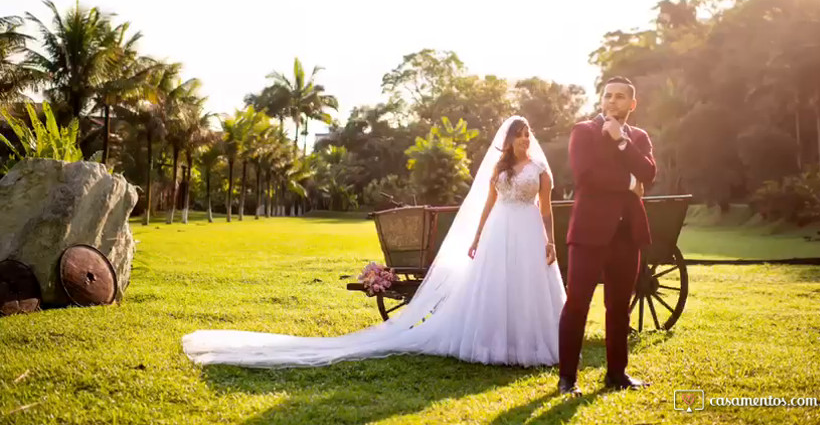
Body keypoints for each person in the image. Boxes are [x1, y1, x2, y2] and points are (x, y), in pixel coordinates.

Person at [182, 116, 567, 368]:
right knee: (494, 287)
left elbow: (546, 210)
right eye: (517, 135)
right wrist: (478, 236)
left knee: (527, 287)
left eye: (526, 135)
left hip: (528, 230)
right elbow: (488, 205)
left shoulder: (539, 171)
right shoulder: (499, 170)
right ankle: (492, 344)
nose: (522, 139)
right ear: (508, 141)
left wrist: (549, 241)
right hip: (499, 231)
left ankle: (531, 345)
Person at [558, 76, 656, 396]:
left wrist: (622, 142)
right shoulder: (583, 131)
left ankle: (617, 375)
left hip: (627, 234)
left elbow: (650, 174)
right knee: (577, 305)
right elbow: (586, 175)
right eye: (607, 96)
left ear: (632, 103)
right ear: (601, 100)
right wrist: (629, 182)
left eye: (619, 97)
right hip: (588, 233)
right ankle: (567, 380)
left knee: (618, 307)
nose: (612, 101)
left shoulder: (639, 137)